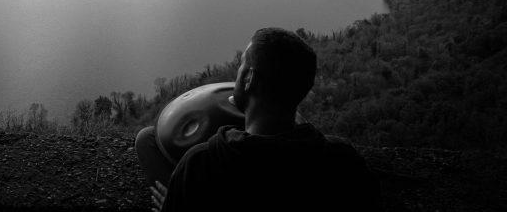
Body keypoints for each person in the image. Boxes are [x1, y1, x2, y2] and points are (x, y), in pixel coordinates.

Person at [135, 27, 380, 211]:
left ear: (249, 78)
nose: (237, 72)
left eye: (241, 64)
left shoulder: (202, 163)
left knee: (147, 139)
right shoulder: (343, 160)